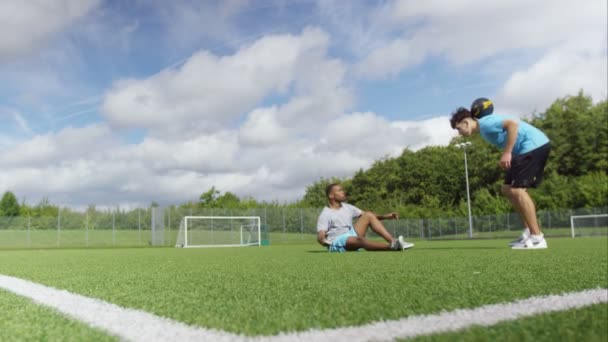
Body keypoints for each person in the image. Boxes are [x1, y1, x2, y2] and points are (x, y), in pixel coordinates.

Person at [450, 98, 551, 249]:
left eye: (458, 129)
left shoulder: (485, 123)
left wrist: (507, 153)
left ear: (466, 122)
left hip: (533, 146)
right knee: (507, 189)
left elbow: (512, 125)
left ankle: (537, 237)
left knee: (517, 190)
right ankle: (528, 232)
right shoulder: (484, 130)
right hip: (524, 151)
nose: (460, 133)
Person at [316, 183, 414, 252]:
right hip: (337, 240)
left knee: (368, 214)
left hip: (350, 234)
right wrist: (324, 241)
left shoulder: (348, 207)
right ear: (331, 195)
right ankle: (392, 247)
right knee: (360, 240)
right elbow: (321, 234)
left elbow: (370, 217)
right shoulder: (325, 214)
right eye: (340, 190)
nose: (344, 192)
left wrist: (386, 216)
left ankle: (394, 241)